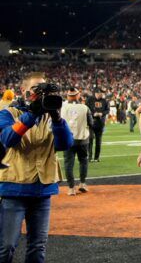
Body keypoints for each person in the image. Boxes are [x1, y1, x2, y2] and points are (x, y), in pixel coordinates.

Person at [0, 72, 74, 262]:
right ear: (23, 91)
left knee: (38, 246)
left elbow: (65, 144)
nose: (41, 94)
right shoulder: (8, 112)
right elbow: (8, 138)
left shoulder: (50, 117)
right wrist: (31, 114)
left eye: (44, 89)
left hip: (42, 190)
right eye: (36, 89)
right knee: (6, 246)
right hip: (14, 188)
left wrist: (57, 119)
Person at [62, 87, 93, 196]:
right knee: (83, 161)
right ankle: (83, 183)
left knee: (68, 164)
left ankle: (71, 188)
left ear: (68, 96)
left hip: (68, 139)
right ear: (78, 95)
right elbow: (91, 123)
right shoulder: (85, 108)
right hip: (83, 139)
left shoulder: (62, 107)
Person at [87, 88, 109, 162]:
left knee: (98, 141)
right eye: (99, 93)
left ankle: (96, 157)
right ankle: (89, 157)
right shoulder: (90, 100)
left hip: (100, 123)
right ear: (96, 93)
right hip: (91, 122)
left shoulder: (104, 101)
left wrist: (102, 113)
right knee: (90, 140)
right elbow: (86, 109)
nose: (101, 95)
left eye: (101, 93)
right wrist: (93, 114)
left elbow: (107, 110)